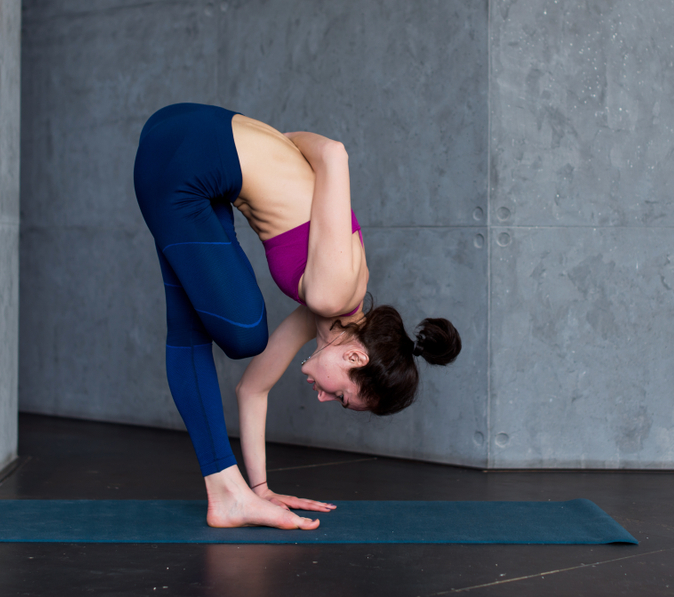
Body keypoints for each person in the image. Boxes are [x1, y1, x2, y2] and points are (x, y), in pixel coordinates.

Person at [134, 103, 460, 530]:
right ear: (355, 359)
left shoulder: (334, 312)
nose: (324, 399)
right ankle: (226, 495)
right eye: (342, 396)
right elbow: (333, 153)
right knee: (244, 335)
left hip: (190, 141)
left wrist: (262, 488)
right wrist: (272, 147)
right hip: (188, 153)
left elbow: (252, 389)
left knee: (192, 327)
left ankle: (233, 496)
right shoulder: (332, 291)